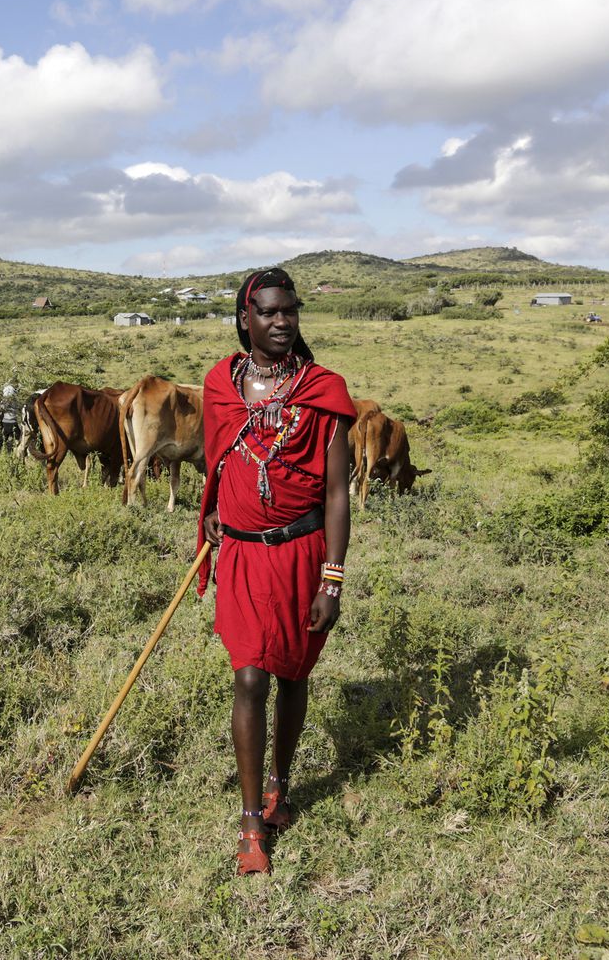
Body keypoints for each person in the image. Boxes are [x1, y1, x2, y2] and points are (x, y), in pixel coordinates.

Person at [197, 267, 355, 876]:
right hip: (240, 555)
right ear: (245, 320)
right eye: (268, 312)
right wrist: (211, 512)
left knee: (292, 674)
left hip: (301, 554)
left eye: (290, 311)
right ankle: (249, 823)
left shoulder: (321, 391)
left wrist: (332, 579)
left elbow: (338, 492)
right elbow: (217, 458)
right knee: (249, 678)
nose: (283, 321)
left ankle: (280, 790)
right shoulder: (221, 385)